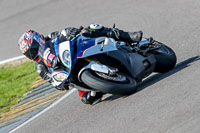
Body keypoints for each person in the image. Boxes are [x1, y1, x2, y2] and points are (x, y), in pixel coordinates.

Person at [18, 24, 143, 105]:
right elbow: (52, 80)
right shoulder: (40, 67)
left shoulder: (51, 38)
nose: (32, 54)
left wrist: (72, 32)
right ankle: (103, 84)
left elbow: (64, 33)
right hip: (73, 75)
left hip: (77, 54)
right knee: (87, 99)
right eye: (29, 53)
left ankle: (128, 36)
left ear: (38, 39)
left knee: (93, 28)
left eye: (33, 49)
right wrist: (58, 83)